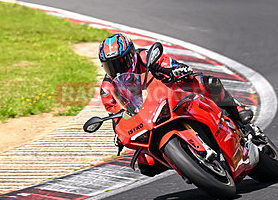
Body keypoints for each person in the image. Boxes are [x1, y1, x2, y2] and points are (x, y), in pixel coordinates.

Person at [97, 33, 254, 175]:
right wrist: (118, 134)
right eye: (110, 66)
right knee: (146, 167)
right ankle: (187, 163)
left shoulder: (146, 57)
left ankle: (236, 108)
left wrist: (177, 69)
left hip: (172, 93)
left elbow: (169, 64)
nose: (117, 70)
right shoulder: (107, 88)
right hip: (146, 116)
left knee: (209, 83)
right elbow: (115, 115)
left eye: (120, 63)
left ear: (131, 55)